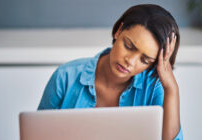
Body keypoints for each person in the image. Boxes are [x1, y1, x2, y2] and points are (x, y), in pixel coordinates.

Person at [38, 4, 183, 140]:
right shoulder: (65, 77)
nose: (130, 61)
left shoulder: (153, 88)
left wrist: (172, 89)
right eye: (129, 46)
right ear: (119, 31)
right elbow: (37, 134)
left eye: (145, 60)